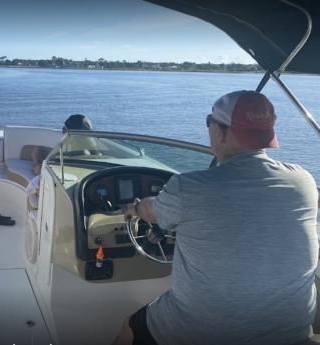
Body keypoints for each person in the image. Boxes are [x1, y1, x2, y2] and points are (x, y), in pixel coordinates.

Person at [113, 91, 319, 345]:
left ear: (219, 132)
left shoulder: (186, 188)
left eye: (208, 121)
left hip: (205, 329)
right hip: (290, 330)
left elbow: (150, 213)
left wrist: (134, 207)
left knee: (129, 328)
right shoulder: (304, 182)